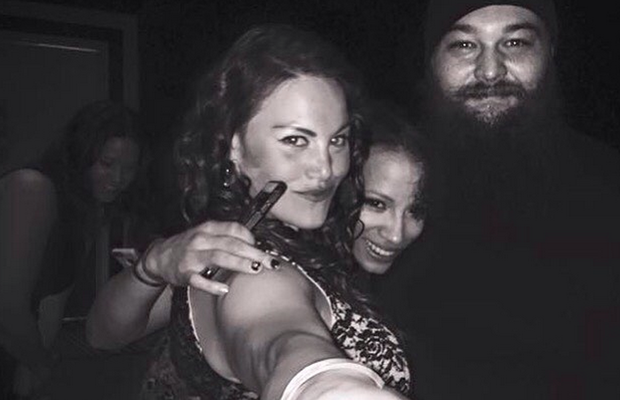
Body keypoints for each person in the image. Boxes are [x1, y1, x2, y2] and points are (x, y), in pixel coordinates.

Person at [87, 24, 413, 400]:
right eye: (296, 140)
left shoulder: (231, 241)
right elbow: (281, 344)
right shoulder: (252, 268)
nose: (325, 170)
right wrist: (152, 265)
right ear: (235, 147)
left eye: (337, 140)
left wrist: (152, 270)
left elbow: (102, 335)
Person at [377, 1, 620, 399]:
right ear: (431, 60)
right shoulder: (380, 181)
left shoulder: (609, 185)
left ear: (550, 53)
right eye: (464, 46)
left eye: (515, 43)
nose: (490, 71)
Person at [0, 100, 151, 399]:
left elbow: (50, 306)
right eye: (107, 163)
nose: (118, 179)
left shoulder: (85, 211)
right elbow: (5, 305)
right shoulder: (32, 187)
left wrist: (33, 366)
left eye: (129, 168)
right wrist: (39, 365)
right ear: (80, 155)